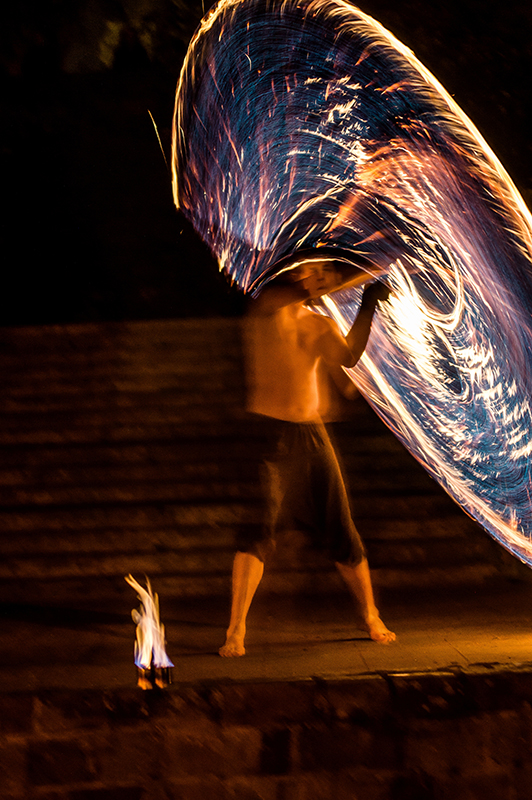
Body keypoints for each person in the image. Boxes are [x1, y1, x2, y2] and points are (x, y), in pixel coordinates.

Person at [219, 256, 395, 657]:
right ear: (292, 273)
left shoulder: (319, 323)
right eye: (309, 270)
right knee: (258, 529)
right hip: (270, 436)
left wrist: (368, 306)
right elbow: (303, 290)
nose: (316, 277)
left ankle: (371, 615)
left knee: (341, 526)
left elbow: (347, 361)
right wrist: (369, 271)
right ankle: (236, 629)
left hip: (313, 435)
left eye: (321, 270)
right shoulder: (266, 307)